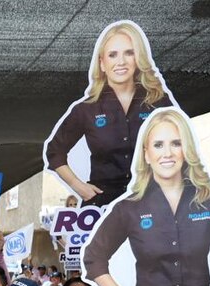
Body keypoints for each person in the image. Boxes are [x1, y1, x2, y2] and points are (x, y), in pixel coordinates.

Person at [83, 108, 210, 286]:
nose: (167, 153)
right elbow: (94, 257)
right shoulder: (129, 207)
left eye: (176, 143)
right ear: (146, 154)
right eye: (158, 145)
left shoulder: (207, 199)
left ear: (186, 150)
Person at [44, 21, 175, 206]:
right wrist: (79, 187)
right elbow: (55, 151)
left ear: (138, 58)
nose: (121, 61)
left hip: (149, 201)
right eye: (113, 55)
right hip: (102, 205)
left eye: (129, 53)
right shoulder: (86, 108)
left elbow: (182, 144)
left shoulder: (158, 101)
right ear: (102, 63)